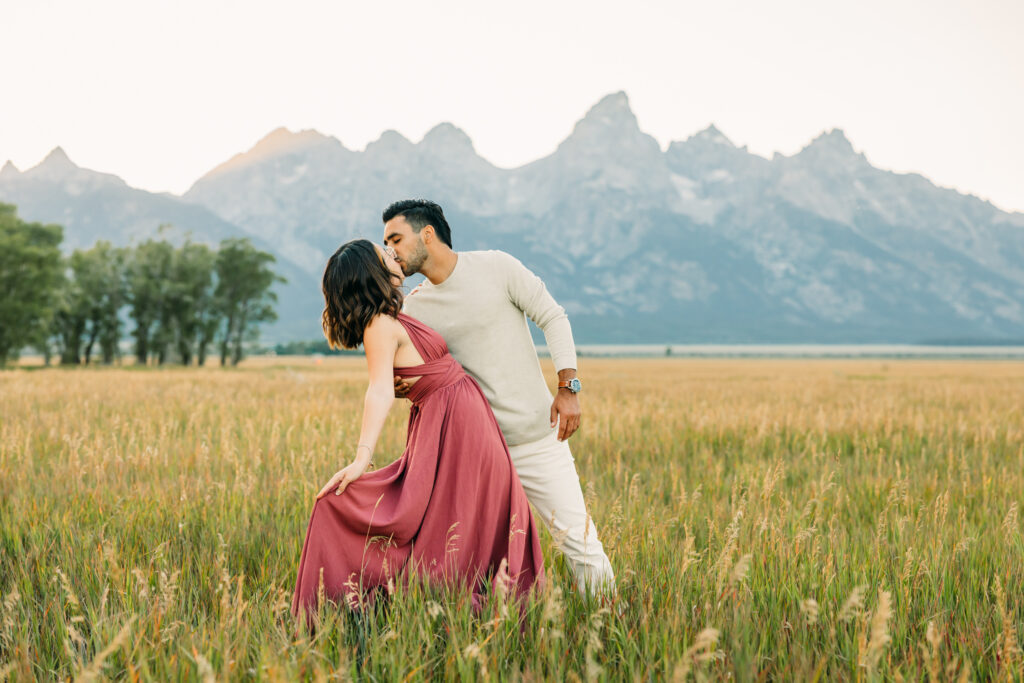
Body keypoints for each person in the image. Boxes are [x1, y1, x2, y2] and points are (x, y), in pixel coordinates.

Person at [290, 239, 544, 629]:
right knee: (455, 512)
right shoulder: (380, 325)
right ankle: (445, 606)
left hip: (460, 421)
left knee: (479, 508)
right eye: (385, 255)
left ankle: (480, 604)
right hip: (450, 424)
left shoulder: (395, 315)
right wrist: (362, 456)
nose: (394, 256)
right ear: (371, 273)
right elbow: (379, 389)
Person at [383, 199, 616, 595]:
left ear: (427, 234)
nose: (390, 251)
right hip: (477, 453)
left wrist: (568, 388)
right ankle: (496, 635)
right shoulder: (416, 308)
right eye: (386, 243)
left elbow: (553, 316)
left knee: (578, 540)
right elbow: (413, 372)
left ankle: (613, 626)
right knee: (477, 557)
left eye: (395, 239)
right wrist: (401, 386)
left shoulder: (496, 266)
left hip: (537, 440)